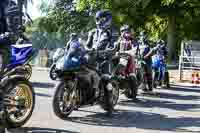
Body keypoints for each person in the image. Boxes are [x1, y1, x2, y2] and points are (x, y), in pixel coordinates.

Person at [63, 33, 101, 100]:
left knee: (94, 74)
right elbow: (69, 51)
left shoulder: (89, 44)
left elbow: (89, 51)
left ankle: (95, 91)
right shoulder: (74, 43)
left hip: (90, 61)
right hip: (77, 62)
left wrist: (92, 51)